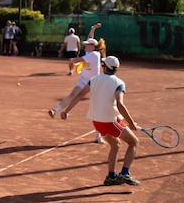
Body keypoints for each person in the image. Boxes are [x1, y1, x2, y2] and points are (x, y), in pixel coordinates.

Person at [59, 55, 141, 186]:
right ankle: (125, 173)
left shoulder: (94, 79)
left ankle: (111, 177)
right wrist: (130, 122)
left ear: (105, 67)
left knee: (115, 145)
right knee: (134, 142)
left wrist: (66, 111)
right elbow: (119, 104)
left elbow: (80, 95)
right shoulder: (119, 83)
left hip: (97, 122)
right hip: (110, 121)